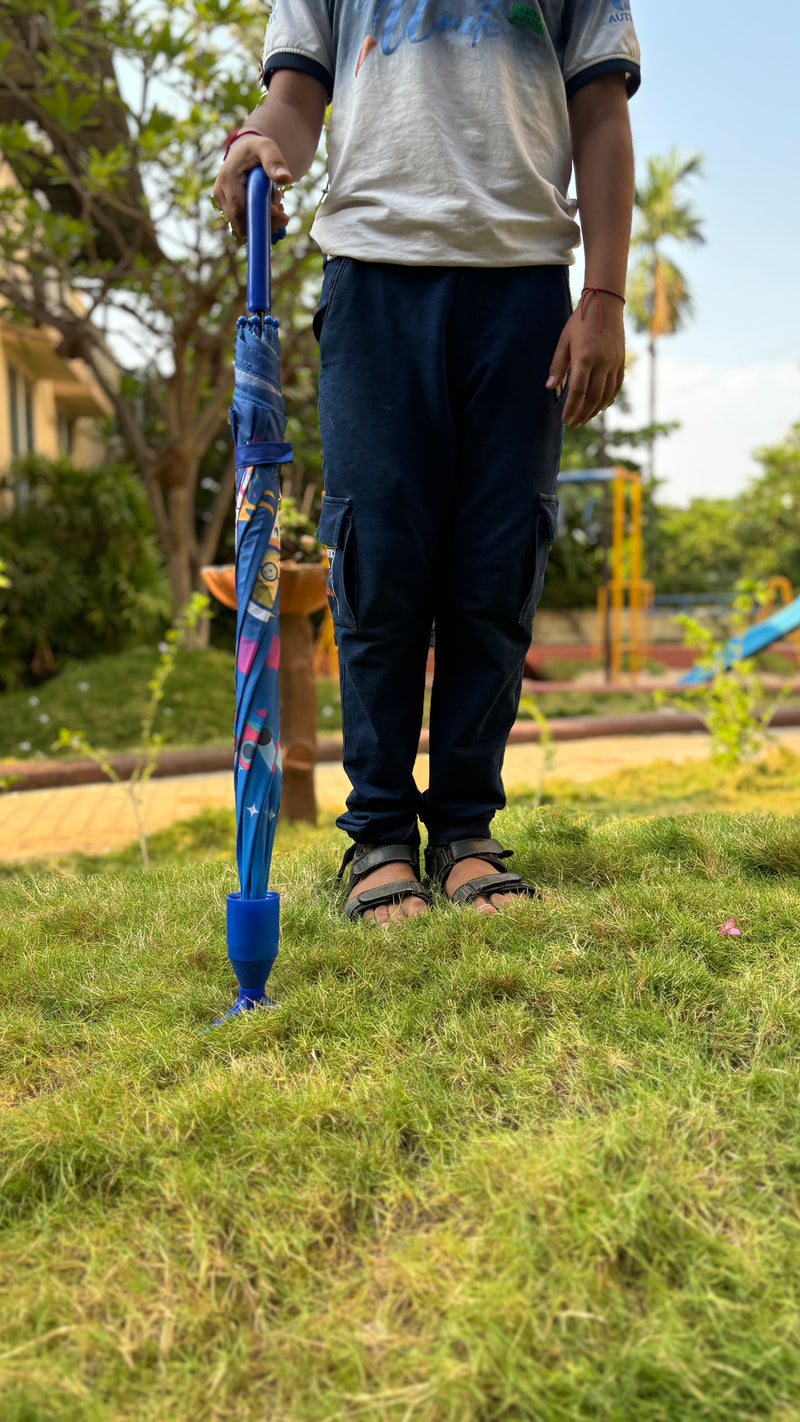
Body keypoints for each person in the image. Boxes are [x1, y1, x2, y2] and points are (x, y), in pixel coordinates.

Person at [213, 0, 640, 925]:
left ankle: (464, 832)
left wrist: (602, 294)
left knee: (496, 565)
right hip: (373, 274)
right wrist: (260, 144)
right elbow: (297, 92)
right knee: (381, 565)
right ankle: (376, 838)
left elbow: (601, 109)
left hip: (525, 283)